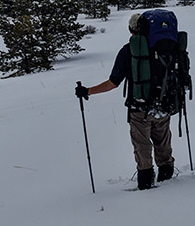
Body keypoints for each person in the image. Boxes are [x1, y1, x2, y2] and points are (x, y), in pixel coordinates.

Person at [75, 13, 176, 190]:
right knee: (163, 144)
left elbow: (113, 83)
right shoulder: (168, 48)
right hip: (163, 105)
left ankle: (146, 183)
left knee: (142, 147)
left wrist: (88, 91)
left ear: (132, 30)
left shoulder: (128, 50)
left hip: (139, 108)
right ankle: (167, 179)